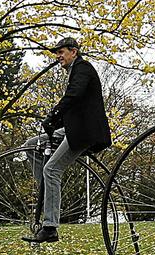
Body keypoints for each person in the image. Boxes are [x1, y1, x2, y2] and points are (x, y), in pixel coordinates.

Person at [22, 36, 112, 244]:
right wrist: (54, 123)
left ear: (74, 51)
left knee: (52, 169)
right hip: (73, 129)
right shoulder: (75, 71)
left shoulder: (83, 68)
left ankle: (50, 227)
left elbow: (74, 96)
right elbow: (73, 104)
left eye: (61, 52)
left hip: (84, 133)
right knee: (31, 145)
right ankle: (47, 190)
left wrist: (53, 115)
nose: (58, 57)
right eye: (57, 53)